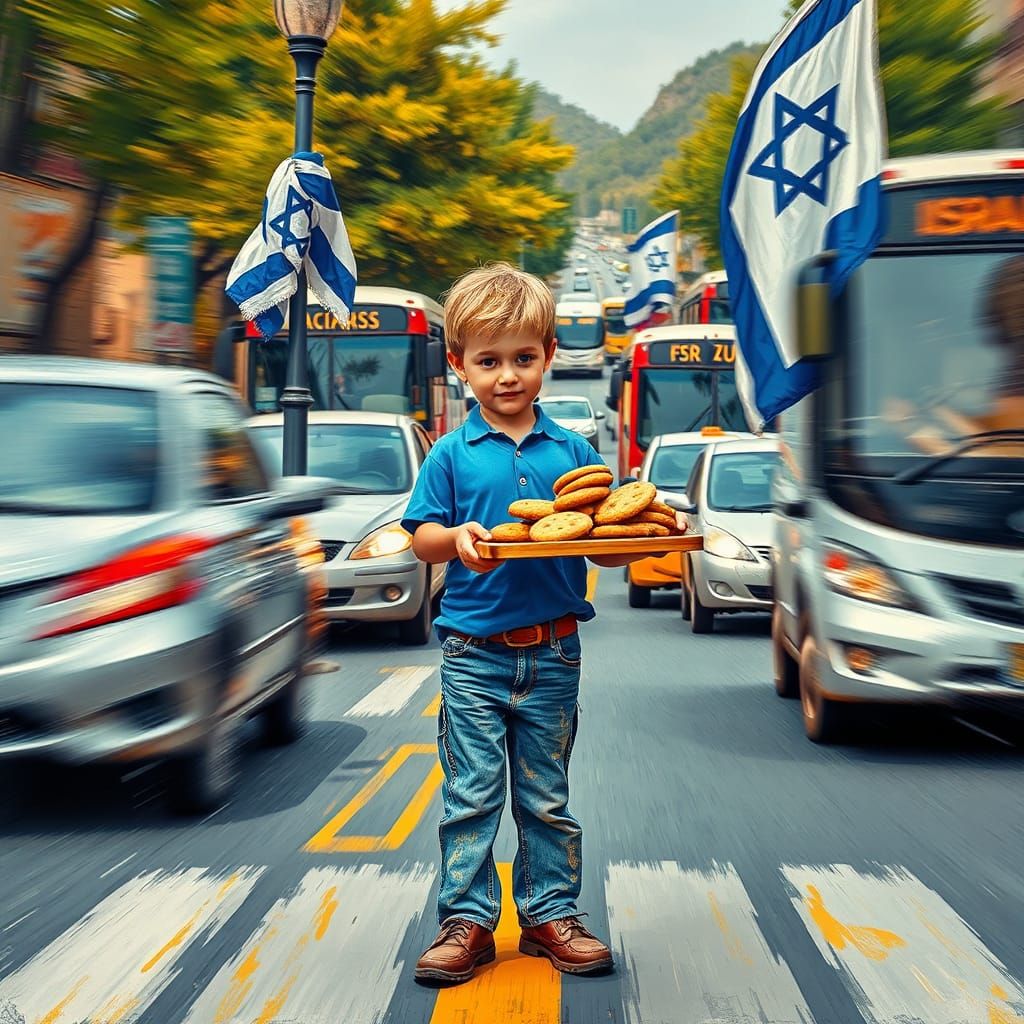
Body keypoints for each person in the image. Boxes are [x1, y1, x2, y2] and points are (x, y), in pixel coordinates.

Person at [401, 263, 658, 986]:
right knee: (471, 792)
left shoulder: (573, 454)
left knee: (545, 796)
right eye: (488, 361)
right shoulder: (451, 455)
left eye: (522, 358)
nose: (507, 376)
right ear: (459, 366)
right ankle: (468, 922)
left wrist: (635, 538)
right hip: (472, 653)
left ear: (548, 353)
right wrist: (455, 541)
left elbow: (603, 535)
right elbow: (418, 534)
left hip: (553, 651)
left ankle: (551, 914)